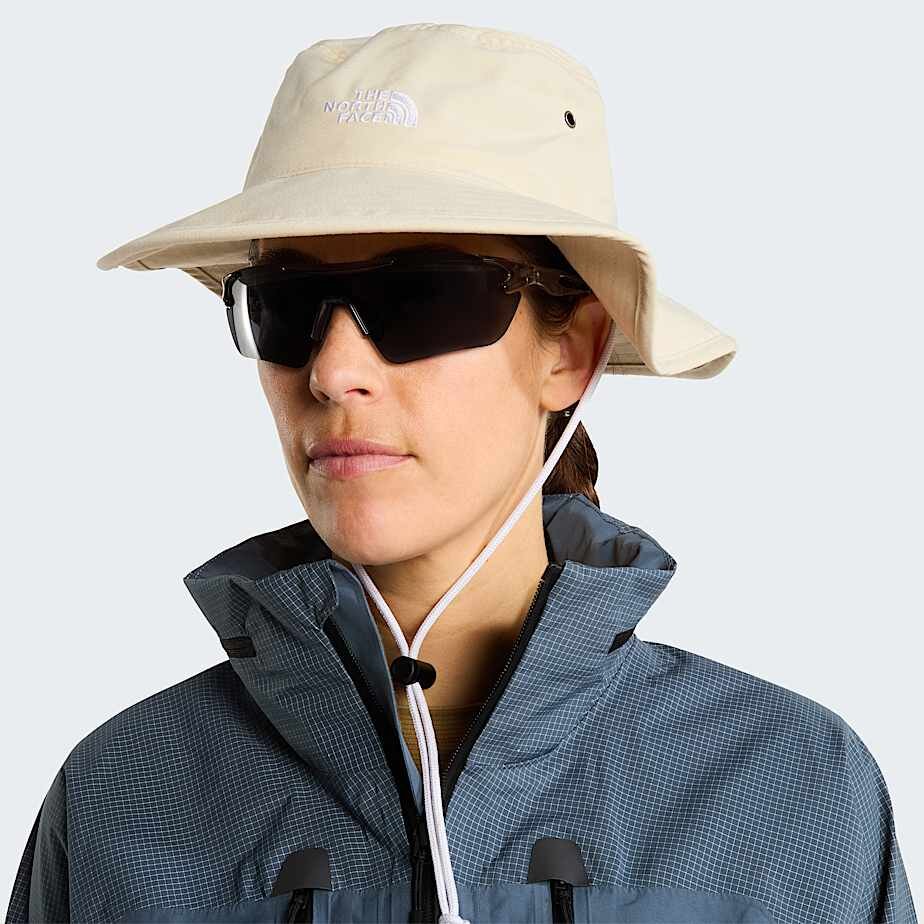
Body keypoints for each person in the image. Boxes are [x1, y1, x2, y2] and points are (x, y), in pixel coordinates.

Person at [7, 22, 916, 924]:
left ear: (572, 350)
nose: (332, 372)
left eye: (421, 297)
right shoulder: (121, 800)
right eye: (285, 302)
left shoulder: (793, 794)